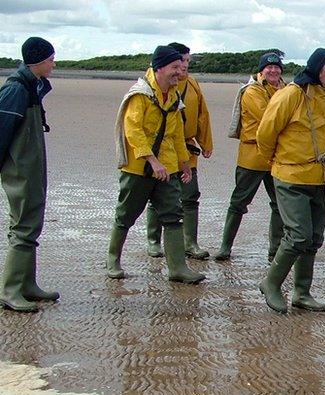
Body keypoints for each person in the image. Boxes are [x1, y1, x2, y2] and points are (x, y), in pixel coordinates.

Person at [105, 45, 205, 284]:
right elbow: (133, 131)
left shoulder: (173, 96)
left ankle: (178, 268)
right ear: (159, 68)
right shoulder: (140, 95)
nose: (179, 73)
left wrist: (184, 164)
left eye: (181, 68)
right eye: (174, 68)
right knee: (126, 215)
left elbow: (176, 134)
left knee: (173, 216)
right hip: (138, 169)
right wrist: (152, 160)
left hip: (168, 168)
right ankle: (113, 260)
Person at [256, 48, 325, 313]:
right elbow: (265, 134)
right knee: (298, 235)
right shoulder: (291, 95)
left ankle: (301, 292)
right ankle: (271, 283)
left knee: (314, 238)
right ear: (319, 71)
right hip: (291, 176)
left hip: (321, 180)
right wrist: (278, 163)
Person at [0, 37, 59, 312]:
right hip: (20, 169)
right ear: (37, 61)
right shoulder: (16, 90)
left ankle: (27, 284)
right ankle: (10, 291)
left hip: (30, 166)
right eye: (50, 59)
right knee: (24, 226)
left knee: (30, 222)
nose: (54, 63)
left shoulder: (31, 86)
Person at [215, 51, 286, 262]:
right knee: (239, 202)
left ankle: (275, 250)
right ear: (261, 70)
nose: (273, 71)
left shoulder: (285, 90)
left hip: (277, 156)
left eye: (277, 67)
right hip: (252, 156)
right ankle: (225, 247)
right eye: (269, 67)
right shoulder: (252, 91)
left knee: (280, 203)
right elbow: (270, 119)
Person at [145, 42, 213, 260]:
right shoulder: (156, 85)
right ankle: (154, 241)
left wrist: (206, 142)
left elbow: (203, 114)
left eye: (187, 61)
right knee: (158, 197)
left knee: (191, 195)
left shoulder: (192, 84)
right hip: (163, 148)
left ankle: (190, 242)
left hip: (187, 147)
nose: (185, 66)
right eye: (181, 61)